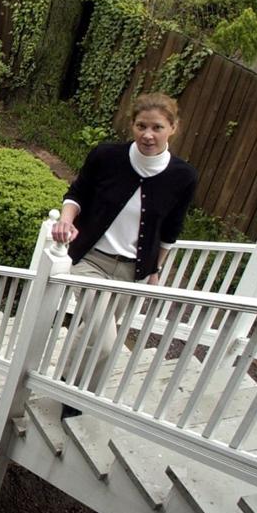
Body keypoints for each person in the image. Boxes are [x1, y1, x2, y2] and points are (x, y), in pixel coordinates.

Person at [50, 93, 198, 416]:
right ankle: (76, 398)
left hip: (133, 271)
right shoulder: (106, 156)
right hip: (91, 261)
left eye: (157, 127)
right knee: (106, 341)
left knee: (91, 331)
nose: (148, 134)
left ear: (173, 128)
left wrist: (156, 269)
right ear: (131, 125)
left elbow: (171, 228)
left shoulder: (183, 176)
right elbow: (77, 193)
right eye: (141, 125)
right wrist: (65, 219)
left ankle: (64, 378)